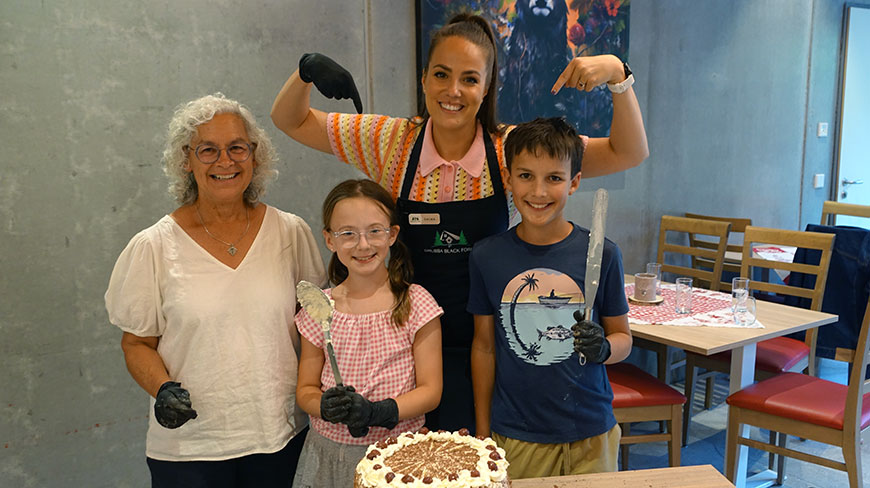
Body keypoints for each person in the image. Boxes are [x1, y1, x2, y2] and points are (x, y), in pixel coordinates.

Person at [270, 13, 647, 432]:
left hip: (488, 345)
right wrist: (306, 72)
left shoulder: (510, 149)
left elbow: (627, 152)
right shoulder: (390, 140)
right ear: (424, 79)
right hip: (403, 344)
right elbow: (291, 119)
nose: (453, 91)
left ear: (486, 88)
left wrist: (618, 75)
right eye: (441, 75)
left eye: (469, 79)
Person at [105, 93, 326, 487]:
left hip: (279, 438)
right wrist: (162, 389)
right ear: (186, 160)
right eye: (208, 150)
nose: (225, 161)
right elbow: (136, 343)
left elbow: (315, 328)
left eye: (237, 148)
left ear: (255, 156)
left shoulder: (290, 233)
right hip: (189, 450)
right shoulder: (154, 247)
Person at [467, 117, 632, 479]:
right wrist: (483, 432)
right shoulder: (486, 257)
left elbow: (623, 338)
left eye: (554, 178)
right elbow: (484, 348)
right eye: (526, 176)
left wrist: (604, 348)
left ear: (573, 183)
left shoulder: (602, 254)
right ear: (508, 178)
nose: (539, 192)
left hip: (591, 430)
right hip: (515, 433)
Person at [292, 179, 443, 488]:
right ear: (329, 240)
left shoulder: (417, 303)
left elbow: (431, 391)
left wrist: (379, 411)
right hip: (330, 455)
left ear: (392, 235)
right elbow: (305, 389)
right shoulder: (319, 309)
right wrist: (323, 405)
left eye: (375, 231)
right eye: (347, 234)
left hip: (400, 453)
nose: (363, 245)